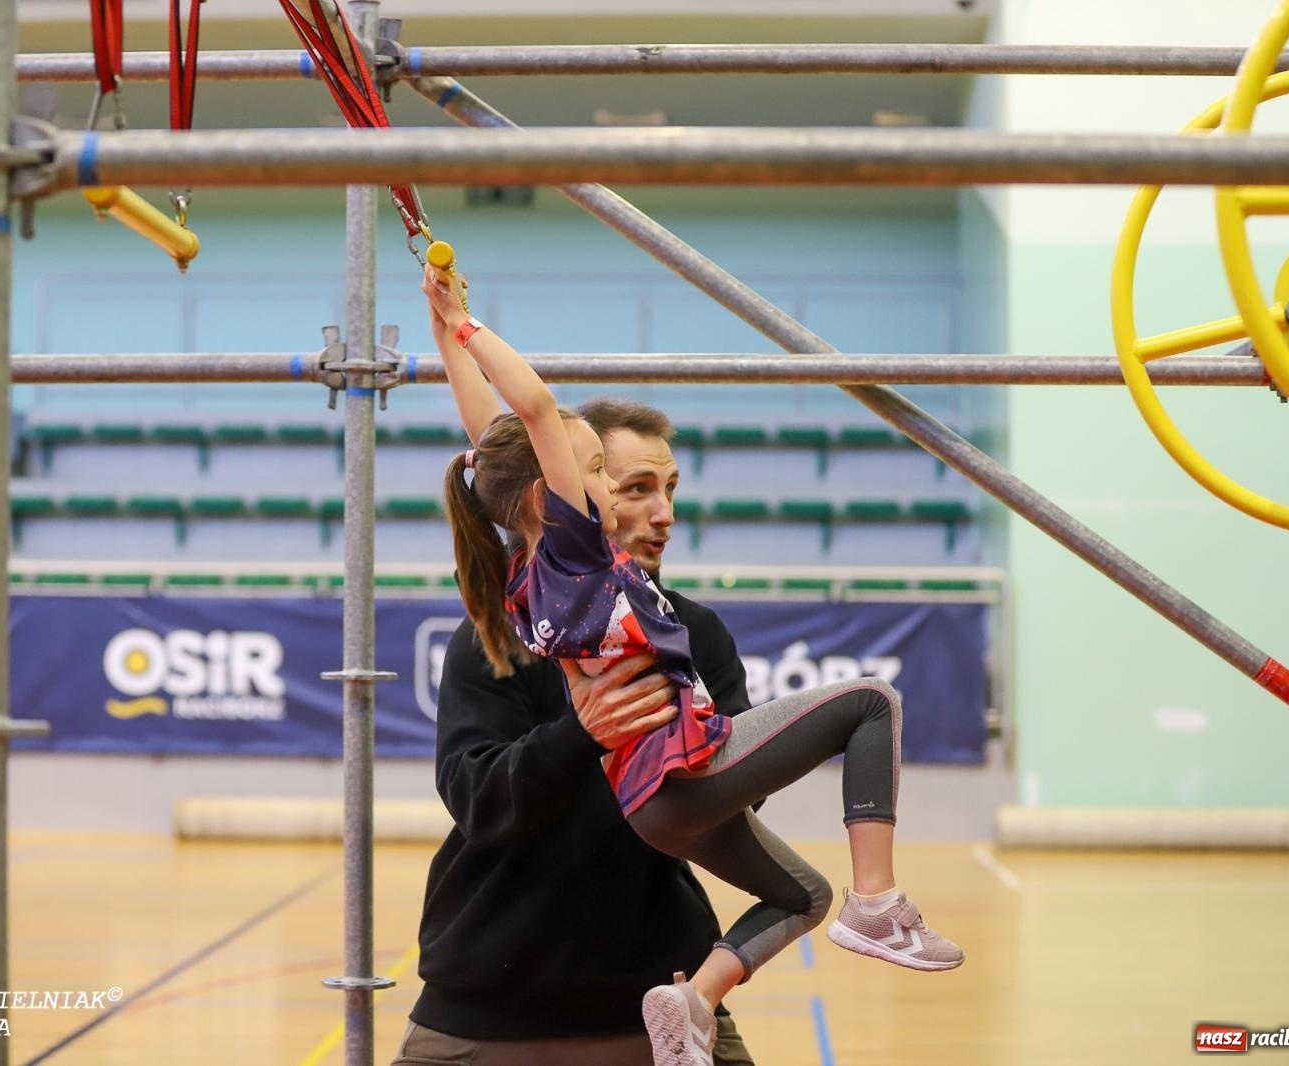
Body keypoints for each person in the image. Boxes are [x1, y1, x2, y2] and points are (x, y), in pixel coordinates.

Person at [423, 265, 964, 1066]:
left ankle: (692, 1000)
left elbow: (493, 444)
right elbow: (530, 413)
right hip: (678, 774)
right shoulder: (579, 554)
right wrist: (469, 328)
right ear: (559, 496)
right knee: (872, 703)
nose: (637, 501)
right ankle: (877, 902)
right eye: (610, 478)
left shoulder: (524, 572)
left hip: (655, 810)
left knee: (803, 894)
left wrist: (445, 331)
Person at [392, 409, 757, 1062]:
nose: (664, 512)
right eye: (635, 487)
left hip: (659, 1002)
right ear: (564, 496)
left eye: (670, 489)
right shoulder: (496, 639)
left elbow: (736, 808)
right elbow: (478, 799)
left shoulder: (697, 637)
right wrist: (579, 734)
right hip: (485, 1011)